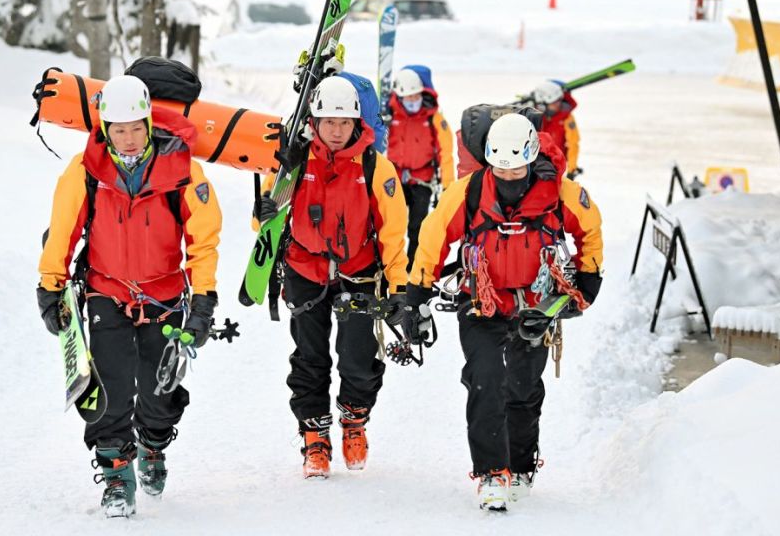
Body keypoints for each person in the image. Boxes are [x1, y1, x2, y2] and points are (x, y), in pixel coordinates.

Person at [37, 74, 222, 518]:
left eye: (135, 128)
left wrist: (204, 301)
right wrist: (49, 286)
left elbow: (204, 240)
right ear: (104, 128)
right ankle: (117, 474)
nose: (128, 138)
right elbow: (63, 231)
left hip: (165, 298)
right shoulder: (85, 172)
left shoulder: (182, 172)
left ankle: (153, 446)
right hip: (106, 293)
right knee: (109, 392)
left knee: (159, 394)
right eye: (118, 129)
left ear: (148, 123)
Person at [404, 113, 603, 512]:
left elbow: (590, 229)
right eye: (500, 168)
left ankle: (521, 465)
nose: (508, 176)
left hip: (537, 302)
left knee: (524, 388)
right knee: (486, 380)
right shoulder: (469, 192)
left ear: (531, 159)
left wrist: (586, 280)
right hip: (481, 299)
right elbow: (433, 235)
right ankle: (492, 473)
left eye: (516, 169)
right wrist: (416, 293)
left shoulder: (562, 194)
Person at [256, 75, 409, 479]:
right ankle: (314, 437)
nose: (337, 130)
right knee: (310, 358)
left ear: (357, 123)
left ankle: (354, 419)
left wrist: (400, 289)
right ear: (314, 122)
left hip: (357, 273)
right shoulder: (295, 162)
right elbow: (266, 218)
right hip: (304, 271)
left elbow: (393, 232)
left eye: (344, 123)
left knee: (358, 359)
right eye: (328, 122)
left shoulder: (376, 166)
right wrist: (264, 213)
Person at [386, 65, 454, 269]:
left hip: (422, 180)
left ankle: (413, 267)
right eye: (408, 98)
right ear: (400, 97)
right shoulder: (390, 116)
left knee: (418, 227)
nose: (413, 102)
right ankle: (390, 263)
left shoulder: (433, 118)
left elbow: (446, 152)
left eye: (416, 97)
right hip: (394, 179)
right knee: (391, 225)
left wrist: (448, 187)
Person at [530, 81, 582, 179]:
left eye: (559, 100)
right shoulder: (533, 116)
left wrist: (572, 169)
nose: (558, 104)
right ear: (542, 104)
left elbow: (573, 143)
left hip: (556, 165)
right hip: (533, 164)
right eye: (554, 102)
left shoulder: (567, 117)